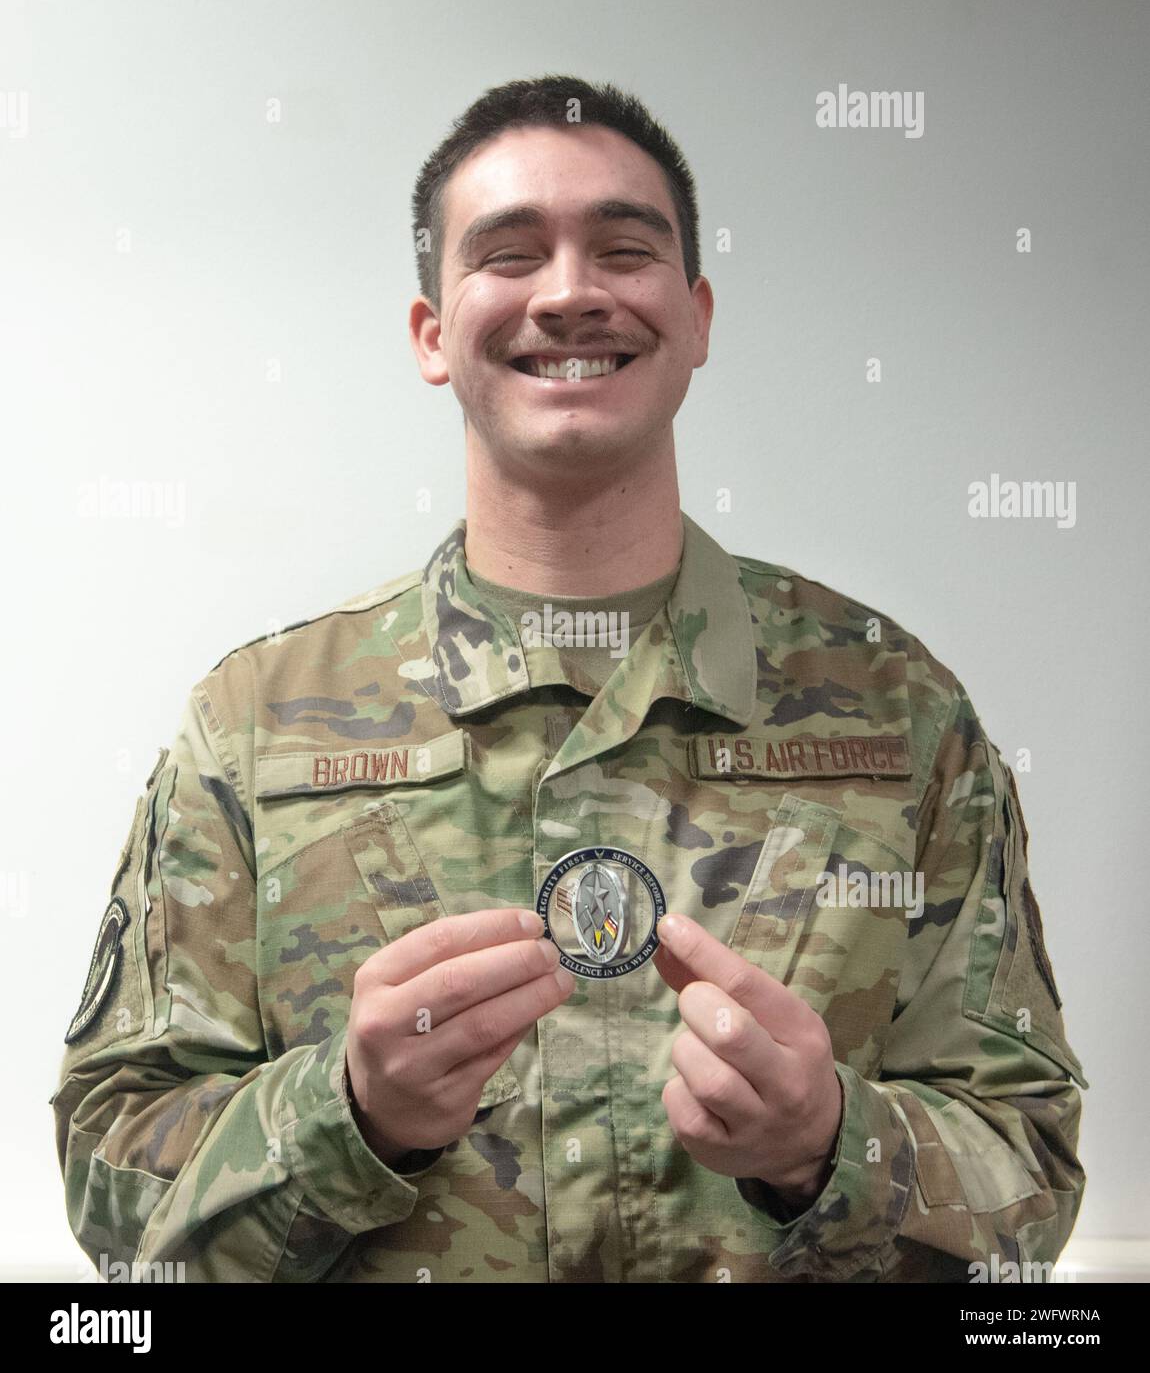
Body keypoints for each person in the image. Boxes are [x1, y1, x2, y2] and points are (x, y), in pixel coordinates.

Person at [52, 75, 1086, 1283]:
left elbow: (1032, 1178)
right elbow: (114, 1197)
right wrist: (345, 1113)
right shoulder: (255, 725)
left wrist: (829, 1145)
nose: (569, 291)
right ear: (433, 332)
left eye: (623, 248)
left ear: (696, 316)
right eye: (508, 252)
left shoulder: (897, 712)